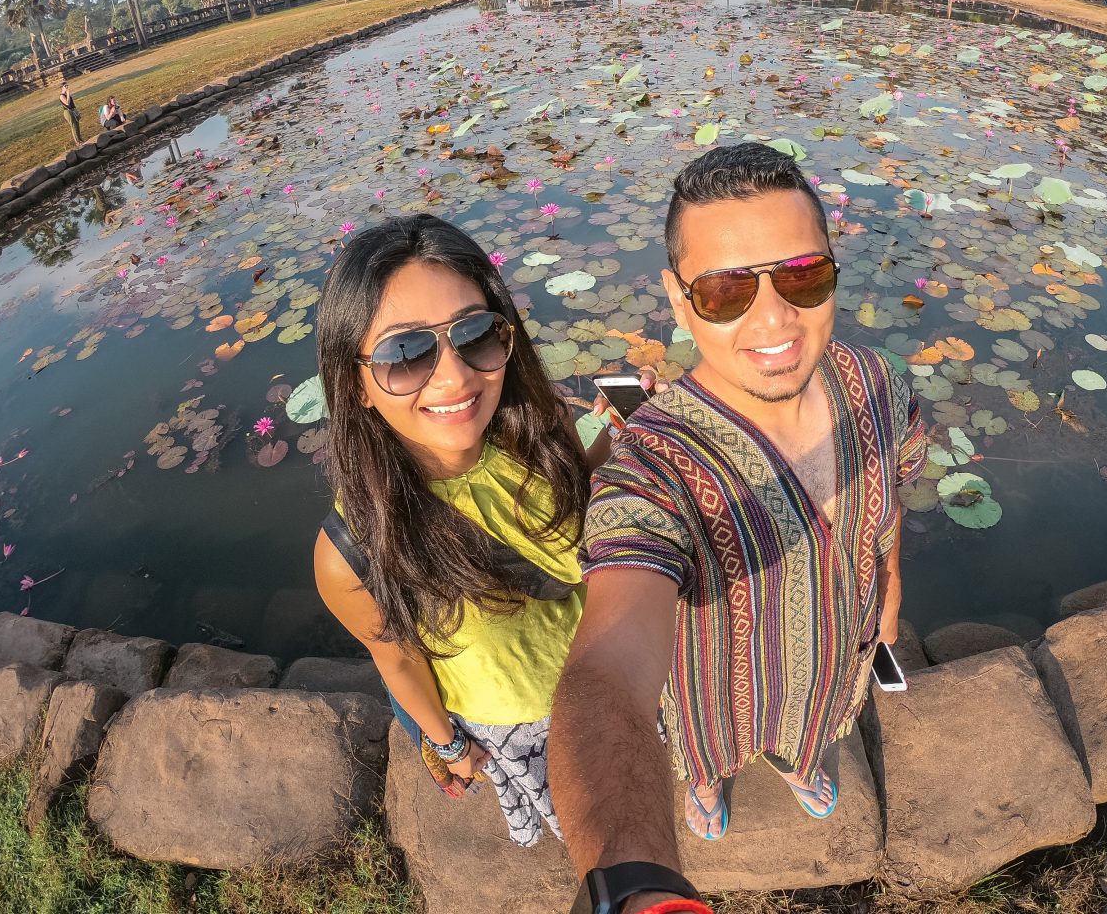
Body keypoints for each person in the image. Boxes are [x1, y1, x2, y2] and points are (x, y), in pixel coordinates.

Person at [551, 144, 927, 908]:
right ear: (678, 296)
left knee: (814, 725)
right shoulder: (652, 463)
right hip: (711, 684)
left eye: (802, 275)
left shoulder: (880, 385)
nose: (774, 316)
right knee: (705, 751)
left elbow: (896, 491)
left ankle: (797, 764)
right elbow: (606, 677)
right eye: (726, 290)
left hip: (834, 648)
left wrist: (890, 579)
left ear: (830, 266)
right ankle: (707, 788)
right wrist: (634, 883)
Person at [312, 213, 630, 848]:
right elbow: (397, 661)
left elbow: (574, 509)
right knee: (587, 824)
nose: (455, 377)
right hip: (518, 715)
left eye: (477, 334)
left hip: (610, 666)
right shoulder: (351, 554)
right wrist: (449, 745)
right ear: (357, 386)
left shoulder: (543, 429)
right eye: (406, 352)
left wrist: (613, 443)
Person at [59, 81, 82, 145]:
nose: (67, 87)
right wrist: (68, 94)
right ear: (62, 87)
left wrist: (76, 110)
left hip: (73, 110)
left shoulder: (67, 94)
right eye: (65, 86)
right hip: (68, 111)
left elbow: (72, 103)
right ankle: (77, 142)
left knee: (77, 124)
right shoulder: (61, 96)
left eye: (67, 85)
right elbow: (67, 103)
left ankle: (80, 139)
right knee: (73, 126)